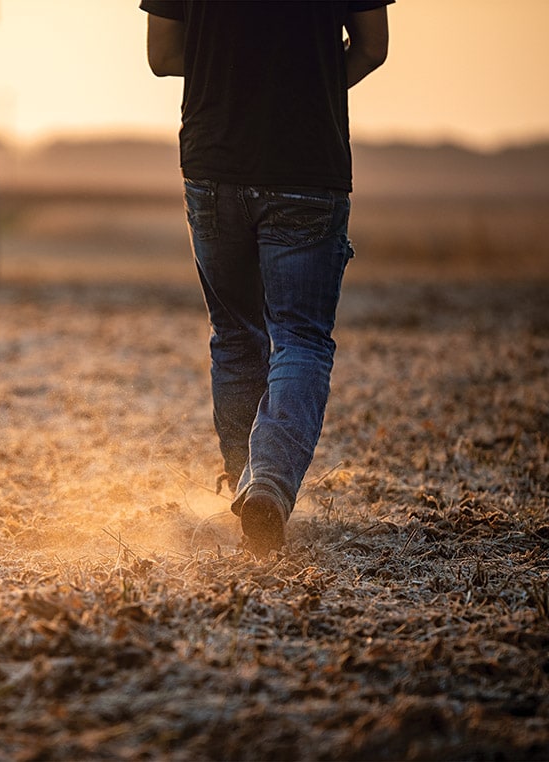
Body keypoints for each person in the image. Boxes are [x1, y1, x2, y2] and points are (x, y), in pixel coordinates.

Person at [141, 1, 391, 556]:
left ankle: (245, 487)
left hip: (214, 162)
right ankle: (267, 489)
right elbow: (372, 46)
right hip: (306, 166)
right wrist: (312, 88)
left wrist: (232, 78)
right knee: (299, 339)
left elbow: (162, 56)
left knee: (235, 336)